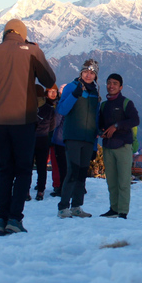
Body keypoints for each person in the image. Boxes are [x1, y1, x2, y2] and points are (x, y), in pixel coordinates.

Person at [0, 18, 56, 235]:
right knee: (23, 170)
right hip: (23, 120)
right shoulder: (31, 51)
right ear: (23, 34)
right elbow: (49, 78)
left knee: (4, 170)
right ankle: (15, 218)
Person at [56, 59, 101, 218]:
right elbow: (62, 109)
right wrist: (74, 95)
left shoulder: (95, 92)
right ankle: (63, 207)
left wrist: (95, 144)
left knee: (82, 173)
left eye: (92, 73)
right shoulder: (71, 87)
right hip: (73, 136)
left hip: (88, 138)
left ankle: (76, 206)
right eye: (86, 72)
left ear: (95, 76)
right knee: (72, 171)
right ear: (81, 73)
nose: (88, 75)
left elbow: (95, 119)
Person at [97, 73, 140, 219]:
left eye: (115, 83)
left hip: (123, 146)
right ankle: (113, 208)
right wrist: (100, 131)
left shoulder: (126, 103)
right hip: (108, 146)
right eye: (109, 83)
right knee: (111, 181)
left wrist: (117, 126)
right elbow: (100, 124)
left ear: (121, 87)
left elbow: (135, 120)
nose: (111, 86)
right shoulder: (103, 105)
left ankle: (122, 211)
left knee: (123, 181)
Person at [33, 84, 56, 201]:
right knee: (42, 167)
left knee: (26, 166)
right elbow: (53, 125)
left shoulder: (27, 106)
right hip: (43, 139)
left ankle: (25, 191)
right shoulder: (49, 108)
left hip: (29, 139)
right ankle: (40, 190)